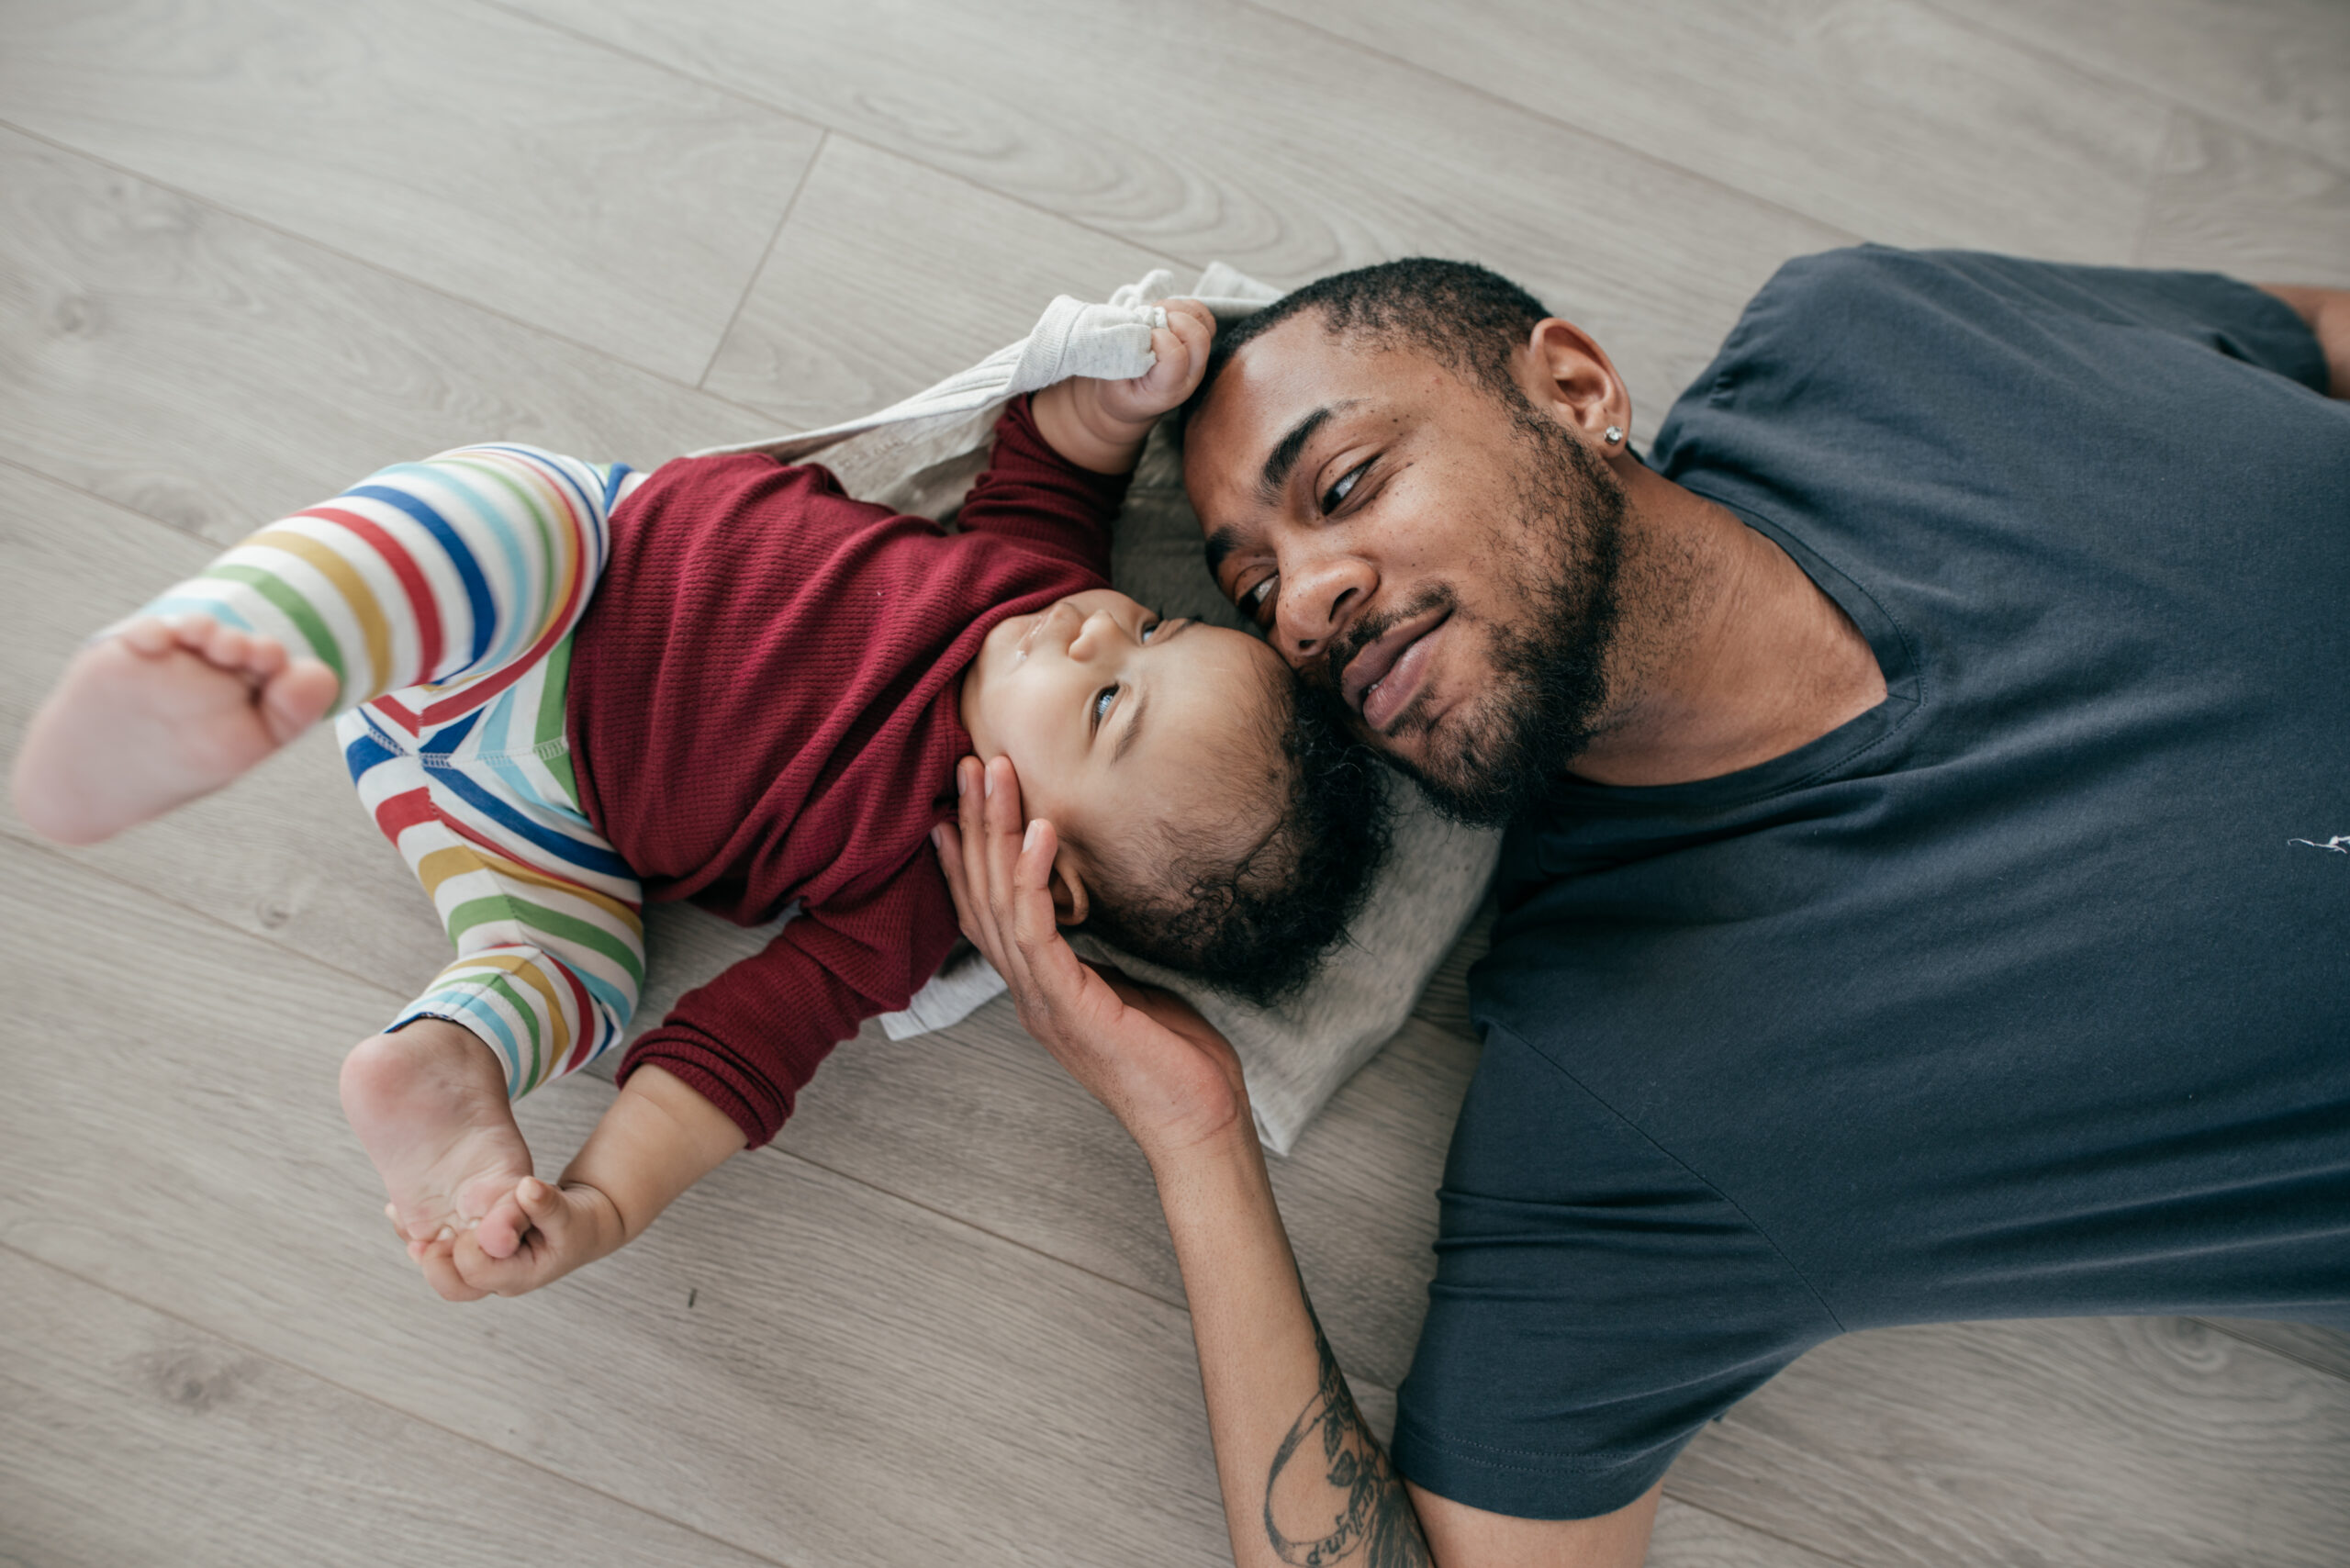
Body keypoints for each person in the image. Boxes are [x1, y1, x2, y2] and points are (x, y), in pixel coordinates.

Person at [937, 250, 2350, 1565]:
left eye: (1348, 484)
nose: (1305, 606)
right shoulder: (1627, 1110)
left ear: (1575, 391)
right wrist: (1195, 1135)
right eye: (1254, 600)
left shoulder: (1864, 335)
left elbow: (2313, 335)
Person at [11, 297, 1388, 1305]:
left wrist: (606, 1200)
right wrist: (1126, 387)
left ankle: (453, 1049)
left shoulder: (907, 907)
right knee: (494, 506)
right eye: (1149, 625)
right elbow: (1053, 450)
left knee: (583, 965)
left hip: (530, 814)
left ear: (1052, 875)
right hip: (555, 585)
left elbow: (733, 1053)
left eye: (1108, 706)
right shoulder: (1024, 584)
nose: (1095, 636)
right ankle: (245, 646)